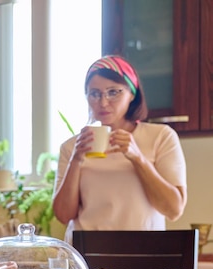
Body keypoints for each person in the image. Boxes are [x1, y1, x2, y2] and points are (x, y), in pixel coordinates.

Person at [53, 55, 187, 243]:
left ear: (132, 94)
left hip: (144, 250)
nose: (103, 102)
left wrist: (137, 157)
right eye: (94, 93)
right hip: (86, 253)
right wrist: (76, 160)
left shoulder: (161, 137)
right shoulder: (71, 147)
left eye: (113, 92)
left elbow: (174, 209)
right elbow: (63, 215)